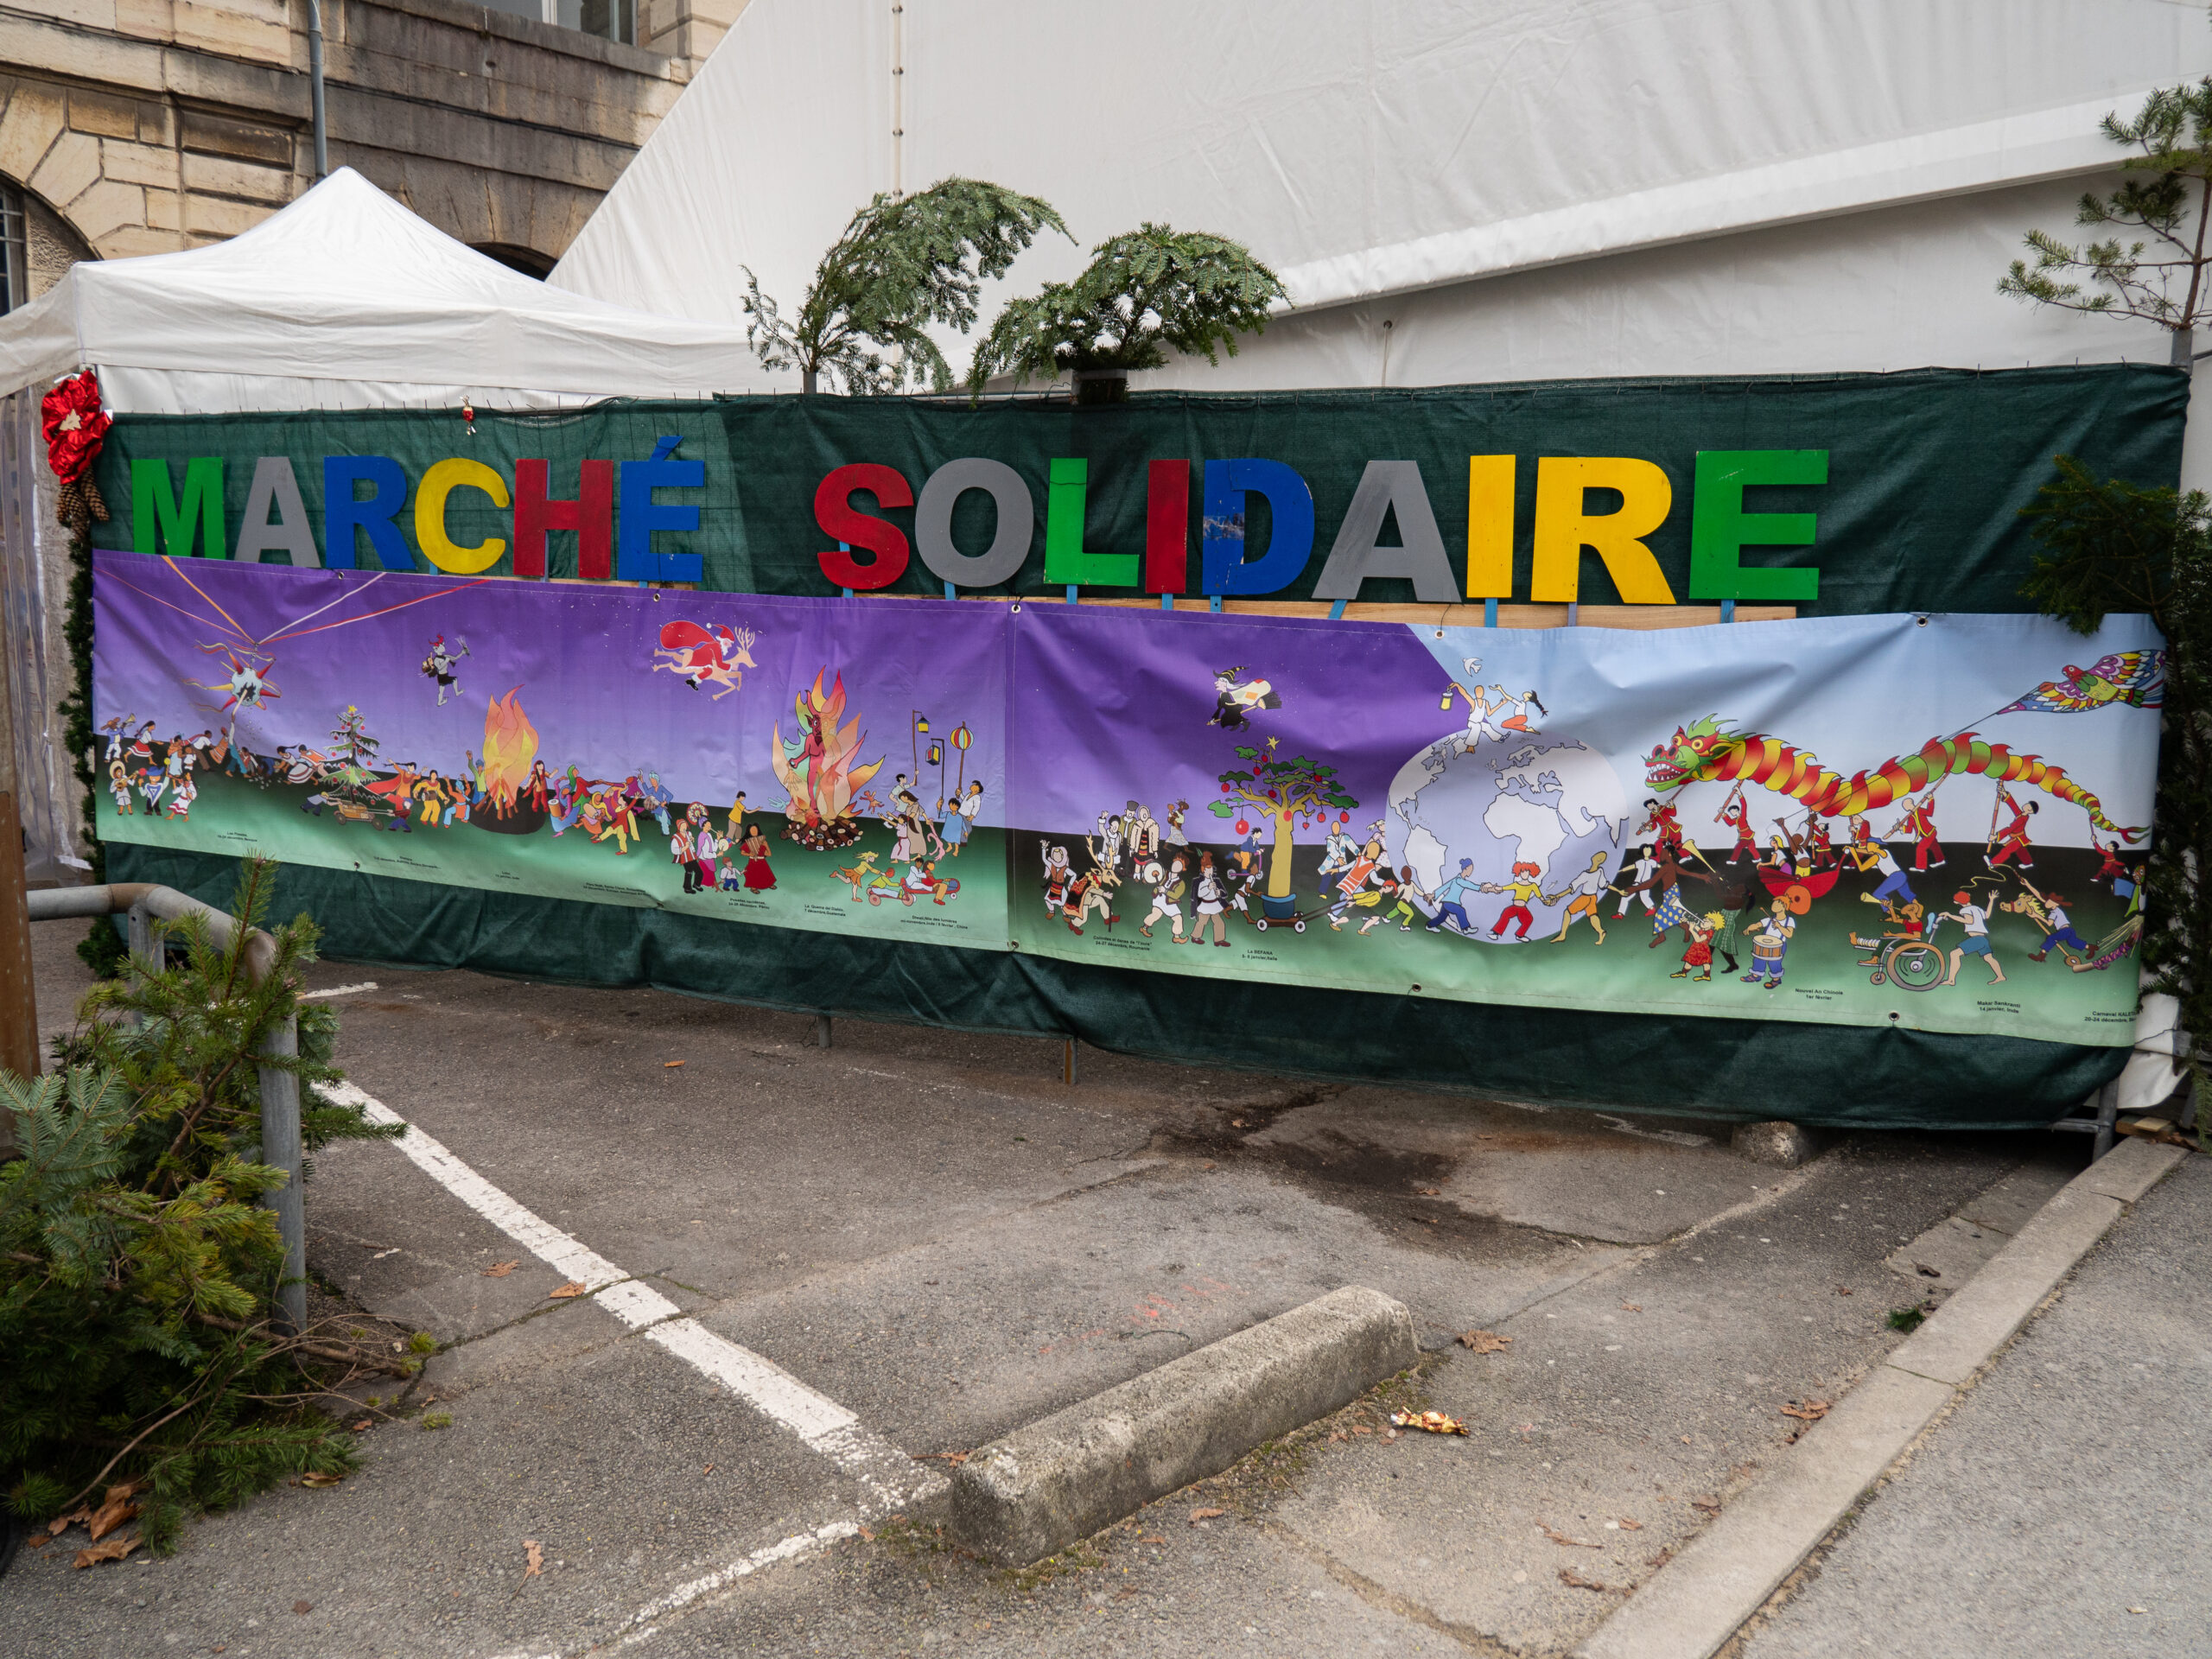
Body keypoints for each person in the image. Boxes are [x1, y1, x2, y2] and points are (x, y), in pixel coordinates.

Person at [1937, 890, 2005, 986]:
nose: (1954, 902)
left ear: (1958, 902)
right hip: (1983, 939)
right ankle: (2001, 976)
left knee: (1954, 954)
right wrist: (1991, 900)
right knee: (1988, 958)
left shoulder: (1965, 910)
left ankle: (1951, 980)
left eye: (1955, 901)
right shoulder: (1977, 908)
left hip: (1977, 939)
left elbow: (1969, 921)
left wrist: (1950, 915)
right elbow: (1987, 915)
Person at [1545, 851, 1612, 943]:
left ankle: (1562, 935)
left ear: (1599, 860)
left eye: (1598, 856)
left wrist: (1557, 896)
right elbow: (1605, 884)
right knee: (1593, 915)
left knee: (1567, 912)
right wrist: (1619, 891)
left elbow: (1572, 888)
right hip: (1593, 897)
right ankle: (1601, 932)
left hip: (1585, 898)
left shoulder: (1586, 874)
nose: (1595, 855)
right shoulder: (1600, 871)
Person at [1743, 897, 1798, 988]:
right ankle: (1756, 976)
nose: (1774, 904)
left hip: (1779, 946)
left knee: (1774, 963)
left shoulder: (1789, 920)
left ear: (1784, 906)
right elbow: (1758, 924)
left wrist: (1780, 926)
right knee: (1759, 959)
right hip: (1765, 944)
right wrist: (1750, 928)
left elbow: (1789, 934)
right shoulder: (1769, 919)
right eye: (1774, 902)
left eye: (1778, 903)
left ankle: (1776, 980)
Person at [1484, 861, 1544, 939]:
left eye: (1526, 872)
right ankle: (1496, 934)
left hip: (1523, 908)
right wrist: (1491, 888)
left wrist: (1545, 901)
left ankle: (1520, 935)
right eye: (1522, 872)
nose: (1524, 874)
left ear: (1530, 872)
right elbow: (1504, 888)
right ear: (1519, 873)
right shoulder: (1516, 884)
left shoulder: (1533, 885)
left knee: (1529, 919)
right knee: (1505, 913)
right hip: (1514, 907)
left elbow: (1539, 895)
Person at [2026, 892, 2088, 963]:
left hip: (2065, 930)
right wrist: (2027, 884)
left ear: (2056, 904)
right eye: (2047, 901)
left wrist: (2036, 915)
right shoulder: (2057, 909)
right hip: (2069, 930)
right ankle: (2090, 948)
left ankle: (2041, 956)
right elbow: (2040, 897)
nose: (2046, 903)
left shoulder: (2054, 912)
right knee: (2072, 942)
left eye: (2049, 902)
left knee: (2051, 938)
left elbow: (2049, 923)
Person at [1192, 853, 1229, 946]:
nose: (1210, 871)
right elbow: (1199, 894)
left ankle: (1218, 940)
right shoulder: (1201, 882)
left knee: (1219, 923)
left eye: (1211, 869)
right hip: (1205, 905)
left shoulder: (1216, 880)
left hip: (1214, 905)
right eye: (1207, 869)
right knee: (1202, 922)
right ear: (1203, 871)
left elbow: (1225, 893)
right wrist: (1208, 888)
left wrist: (1219, 893)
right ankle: (1195, 937)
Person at [1614, 846, 1659, 918]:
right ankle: (1620, 914)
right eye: (1645, 850)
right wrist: (1621, 870)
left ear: (1651, 852)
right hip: (1636, 883)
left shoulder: (1652, 862)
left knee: (1644, 897)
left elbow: (1660, 867)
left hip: (1645, 884)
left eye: (1648, 851)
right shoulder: (1640, 862)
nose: (1646, 852)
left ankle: (1652, 909)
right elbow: (1632, 866)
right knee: (1625, 896)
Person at [940, 781, 983, 855]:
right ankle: (958, 841)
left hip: (967, 815)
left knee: (967, 828)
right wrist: (960, 794)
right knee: (958, 827)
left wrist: (972, 815)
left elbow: (976, 807)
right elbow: (964, 800)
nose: (972, 785)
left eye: (974, 785)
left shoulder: (977, 797)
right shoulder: (969, 794)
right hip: (960, 813)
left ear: (977, 789)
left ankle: (963, 841)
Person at [740, 823, 777, 890]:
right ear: (749, 832)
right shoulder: (748, 843)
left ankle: (768, 884)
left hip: (762, 861)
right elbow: (742, 852)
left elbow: (769, 854)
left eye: (755, 830)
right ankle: (753, 888)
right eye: (752, 831)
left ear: (758, 831)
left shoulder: (762, 842)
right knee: (754, 874)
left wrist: (766, 845)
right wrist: (749, 854)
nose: (754, 832)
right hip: (753, 862)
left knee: (765, 874)